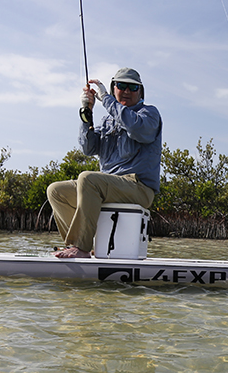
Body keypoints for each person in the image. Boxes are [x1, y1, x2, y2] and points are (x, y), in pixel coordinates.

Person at [47, 67, 162, 258]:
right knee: (56, 191)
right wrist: (87, 112)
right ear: (114, 87)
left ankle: (80, 247)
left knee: (88, 178)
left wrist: (106, 99)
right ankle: (84, 245)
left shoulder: (149, 114)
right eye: (121, 85)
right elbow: (88, 148)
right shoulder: (108, 120)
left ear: (140, 92)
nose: (126, 90)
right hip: (107, 187)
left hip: (139, 187)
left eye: (132, 87)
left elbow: (135, 127)